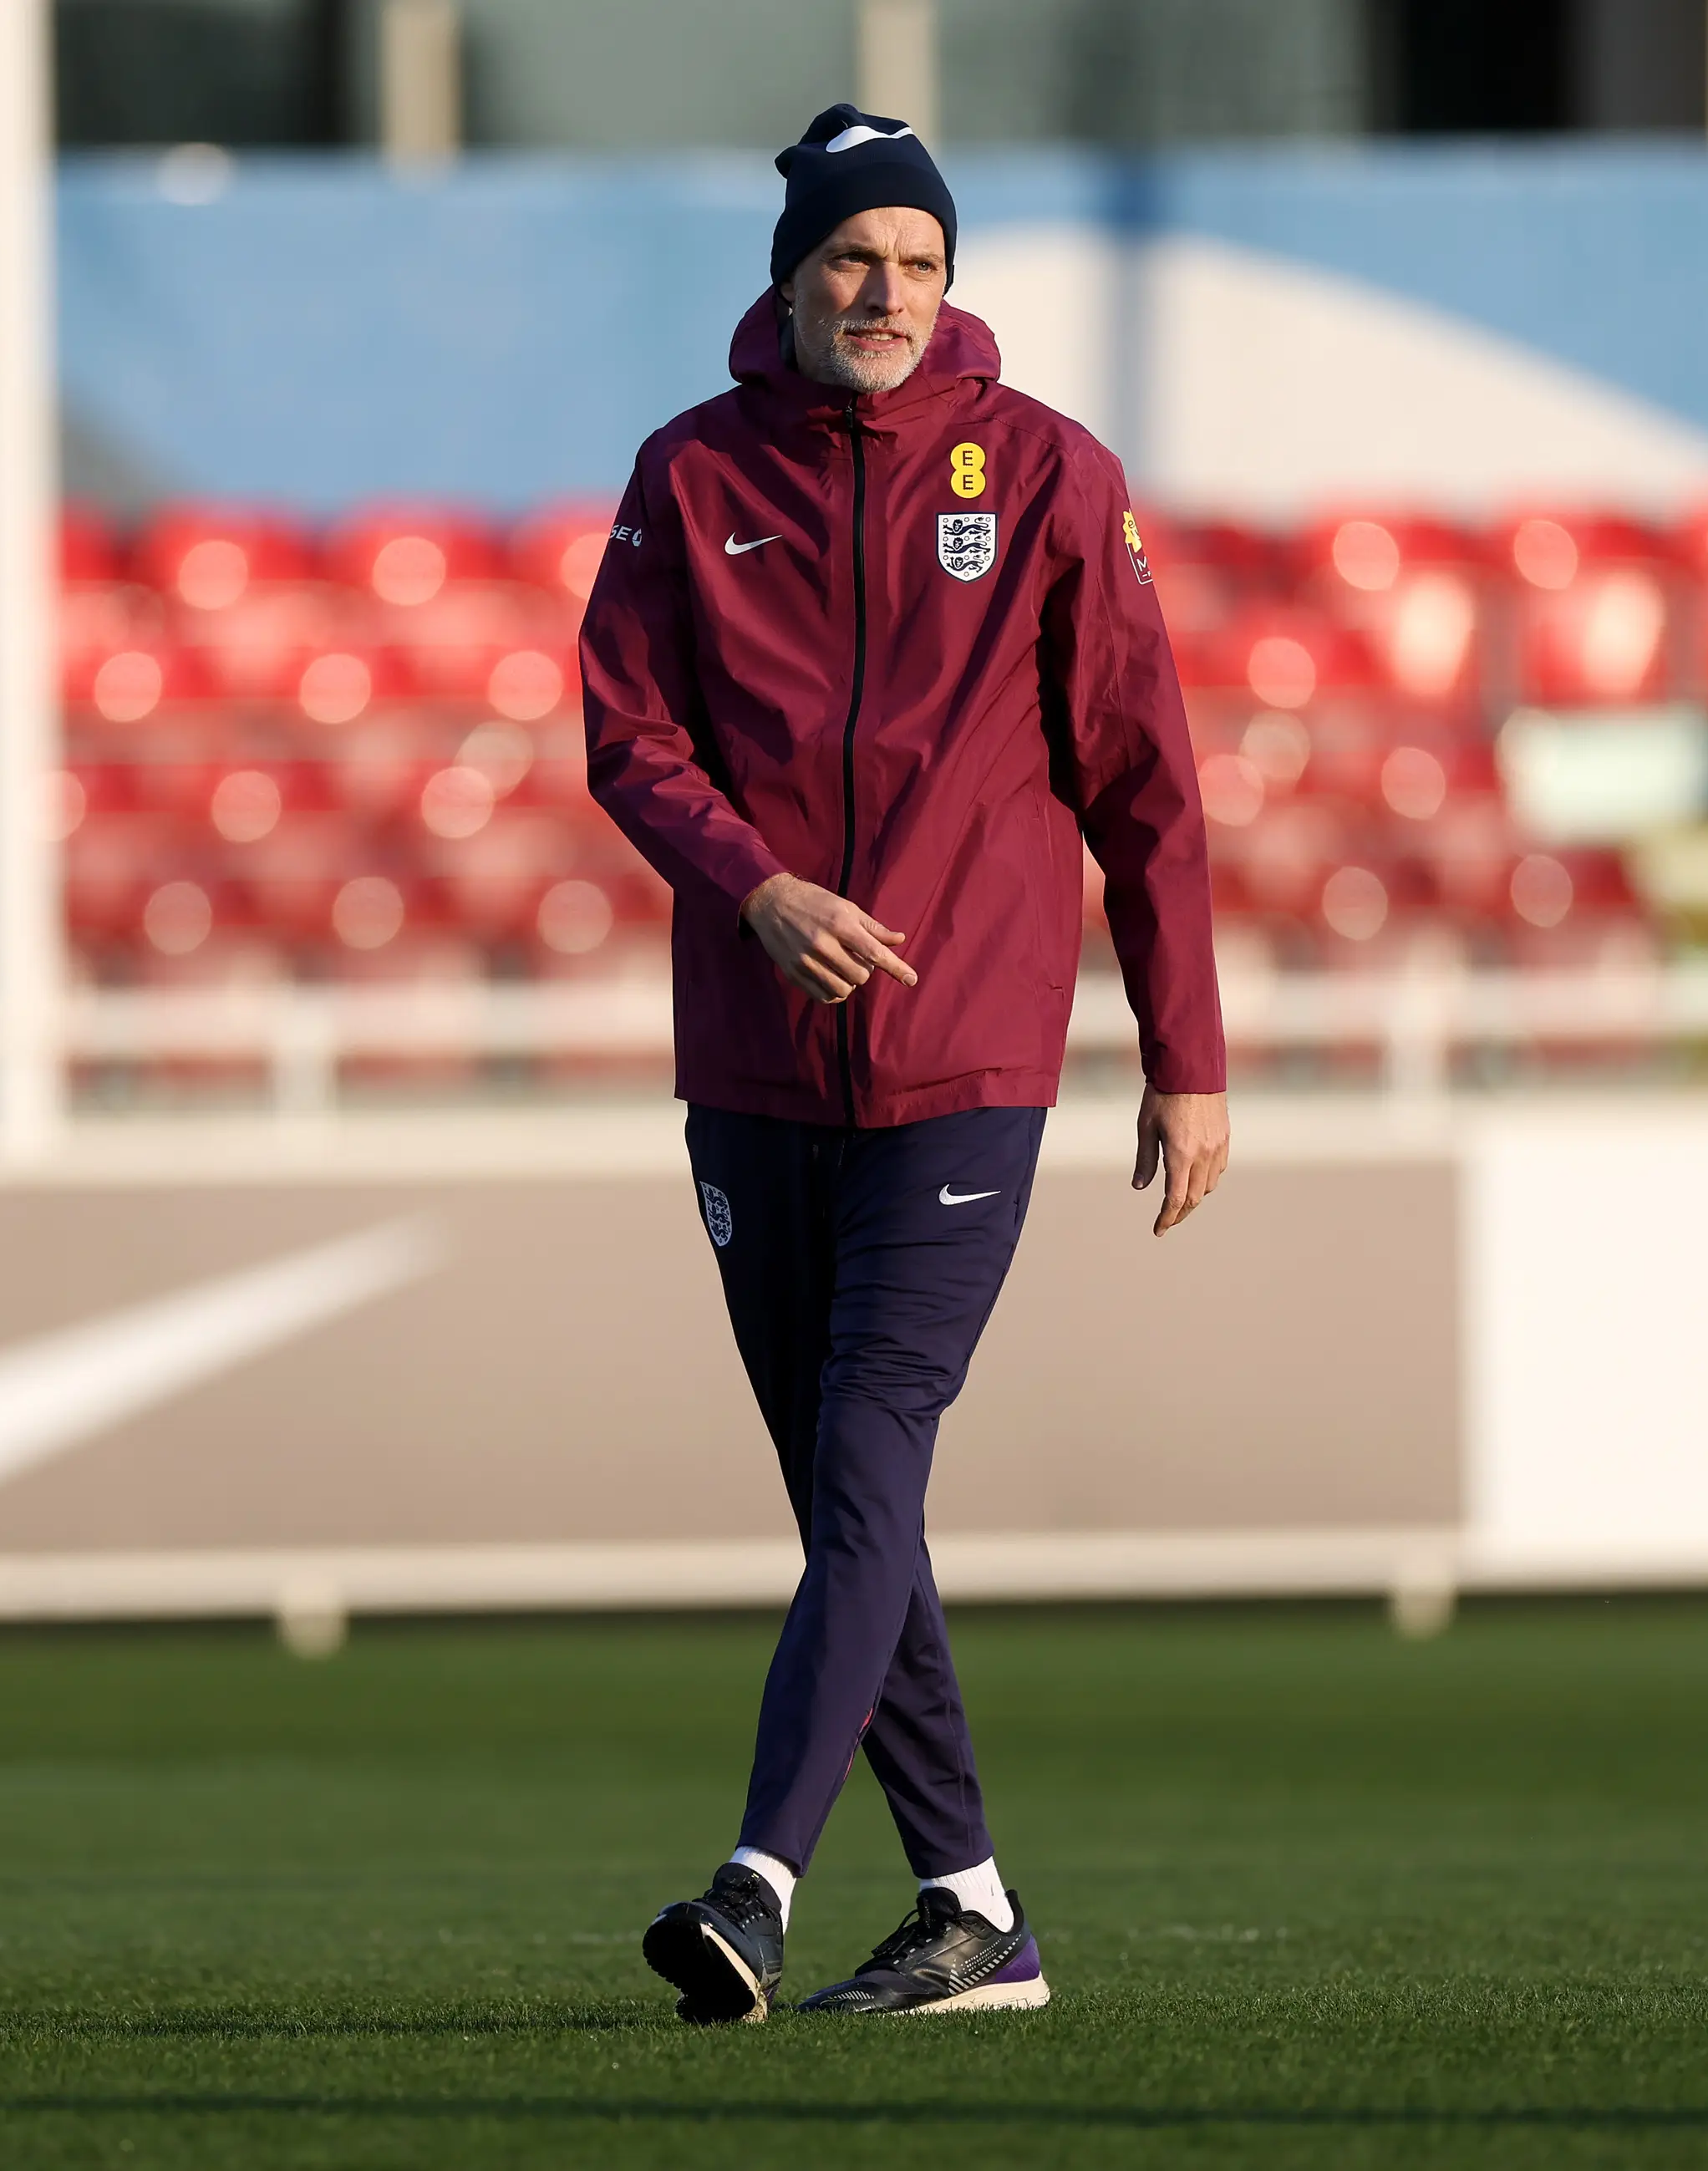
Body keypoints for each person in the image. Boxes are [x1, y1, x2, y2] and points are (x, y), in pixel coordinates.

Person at [580, 102, 1228, 2023]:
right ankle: (972, 1916)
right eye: (853, 259)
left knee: (869, 1450)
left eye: (920, 263)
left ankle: (757, 1885)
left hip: (963, 1069)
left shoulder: (1042, 473)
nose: (886, 292)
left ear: (954, 283)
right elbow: (628, 738)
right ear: (790, 275)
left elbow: (1145, 790)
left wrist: (1184, 1056)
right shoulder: (688, 476)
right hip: (755, 1072)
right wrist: (758, 890)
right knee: (853, 1506)